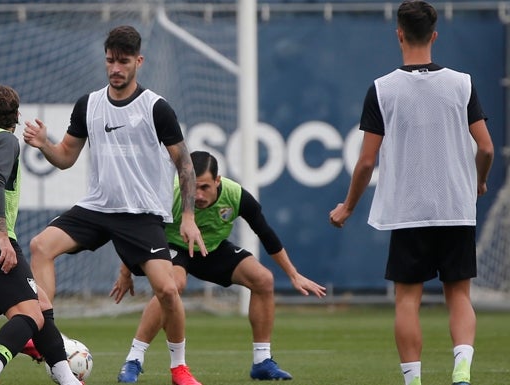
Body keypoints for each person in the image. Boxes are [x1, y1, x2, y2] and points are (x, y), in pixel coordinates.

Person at [22, 25, 207, 385]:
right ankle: (46, 335)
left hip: (140, 214)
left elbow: (184, 163)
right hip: (97, 208)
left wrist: (187, 216)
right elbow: (65, 158)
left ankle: (179, 367)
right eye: (110, 61)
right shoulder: (88, 105)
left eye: (123, 61)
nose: (115, 68)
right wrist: (45, 143)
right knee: (40, 246)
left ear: (138, 61)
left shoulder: (156, 108)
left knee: (168, 290)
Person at [328, 2, 494, 385]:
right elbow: (485, 148)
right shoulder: (462, 83)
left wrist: (348, 207)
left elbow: (366, 162)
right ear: (434, 35)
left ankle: (413, 380)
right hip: (456, 207)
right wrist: (478, 180)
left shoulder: (382, 90)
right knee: (459, 295)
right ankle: (462, 370)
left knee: (407, 300)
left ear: (399, 33)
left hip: (409, 212)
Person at [110, 150, 327, 382]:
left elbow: (266, 234)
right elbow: (140, 231)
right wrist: (126, 272)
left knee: (263, 279)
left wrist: (293, 275)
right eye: (193, 187)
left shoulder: (236, 196)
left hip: (210, 249)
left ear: (218, 181)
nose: (198, 195)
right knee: (174, 285)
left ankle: (262, 362)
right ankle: (134, 359)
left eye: (204, 187)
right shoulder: (169, 194)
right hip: (173, 247)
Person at [0, 85, 83, 385]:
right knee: (31, 316)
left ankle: (67, 378)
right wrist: (2, 236)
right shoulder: (5, 139)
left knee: (42, 306)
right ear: (16, 115)